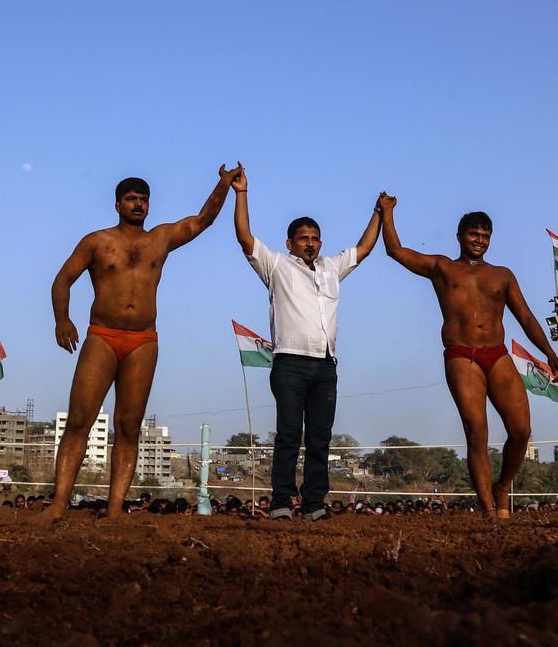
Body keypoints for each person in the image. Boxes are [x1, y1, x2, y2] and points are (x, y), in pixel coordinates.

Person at [37, 164, 241, 523]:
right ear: (117, 204)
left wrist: (223, 184)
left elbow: (202, 220)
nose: (138, 205)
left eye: (144, 200)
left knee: (129, 425)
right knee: (79, 421)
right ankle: (59, 504)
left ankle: (114, 509)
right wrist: (62, 318)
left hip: (144, 341)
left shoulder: (159, 239)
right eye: (131, 199)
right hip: (102, 335)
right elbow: (62, 279)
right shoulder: (97, 241)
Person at [379, 193, 558, 518]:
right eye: (473, 234)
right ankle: (489, 508)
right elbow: (396, 251)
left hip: (497, 353)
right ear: (460, 237)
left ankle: (503, 485)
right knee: (477, 429)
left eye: (485, 236)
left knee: (521, 431)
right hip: (461, 355)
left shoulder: (502, 275)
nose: (479, 240)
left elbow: (526, 317)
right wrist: (387, 212)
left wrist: (549, 352)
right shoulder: (442, 267)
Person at [231, 165, 381, 521]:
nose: (310, 242)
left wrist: (378, 213)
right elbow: (244, 237)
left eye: (315, 237)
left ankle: (314, 504)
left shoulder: (332, 268)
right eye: (303, 238)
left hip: (326, 365)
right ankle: (282, 502)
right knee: (287, 436)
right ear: (290, 243)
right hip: (290, 363)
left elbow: (364, 248)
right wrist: (241, 193)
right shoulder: (277, 266)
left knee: (320, 439)